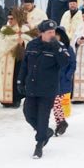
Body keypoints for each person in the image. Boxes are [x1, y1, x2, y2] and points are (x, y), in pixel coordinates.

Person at [17, 20, 71, 158]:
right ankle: (45, 132)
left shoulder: (58, 46)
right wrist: (20, 81)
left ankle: (39, 145)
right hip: (32, 86)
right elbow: (25, 65)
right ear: (41, 33)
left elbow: (65, 63)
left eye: (53, 32)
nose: (52, 35)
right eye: (49, 33)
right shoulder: (32, 44)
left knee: (43, 117)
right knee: (28, 113)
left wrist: (56, 48)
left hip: (48, 89)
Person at [0, 8, 30, 109]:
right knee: (5, 79)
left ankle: (16, 99)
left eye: (12, 18)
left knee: (15, 78)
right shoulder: (4, 29)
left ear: (17, 19)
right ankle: (4, 100)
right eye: (8, 19)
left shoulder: (23, 29)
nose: (10, 21)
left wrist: (23, 43)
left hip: (17, 59)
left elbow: (29, 40)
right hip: (5, 58)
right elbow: (0, 42)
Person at [52, 27, 76, 136]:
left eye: (57, 35)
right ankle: (59, 123)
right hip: (54, 80)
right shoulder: (52, 47)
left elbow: (72, 64)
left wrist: (68, 76)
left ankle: (62, 122)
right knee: (55, 103)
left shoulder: (68, 48)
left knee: (56, 102)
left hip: (63, 81)